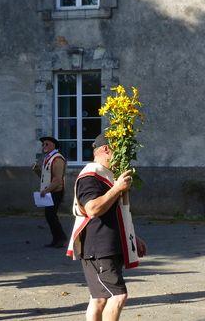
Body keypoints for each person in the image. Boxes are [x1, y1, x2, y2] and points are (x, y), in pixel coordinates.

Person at [66, 134, 146, 321]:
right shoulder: (90, 175)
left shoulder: (107, 175)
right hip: (98, 247)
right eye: (118, 149)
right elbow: (92, 208)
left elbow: (118, 212)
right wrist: (117, 188)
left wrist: (132, 237)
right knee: (118, 296)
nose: (121, 156)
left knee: (99, 299)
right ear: (105, 149)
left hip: (106, 245)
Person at [33, 136, 67, 248]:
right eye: (43, 145)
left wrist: (46, 190)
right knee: (50, 216)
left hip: (55, 191)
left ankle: (61, 238)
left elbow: (57, 179)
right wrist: (37, 170)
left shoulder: (57, 159)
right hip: (50, 191)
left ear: (53, 145)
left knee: (51, 215)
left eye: (46, 144)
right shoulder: (48, 158)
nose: (44, 146)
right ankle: (57, 239)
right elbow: (45, 177)